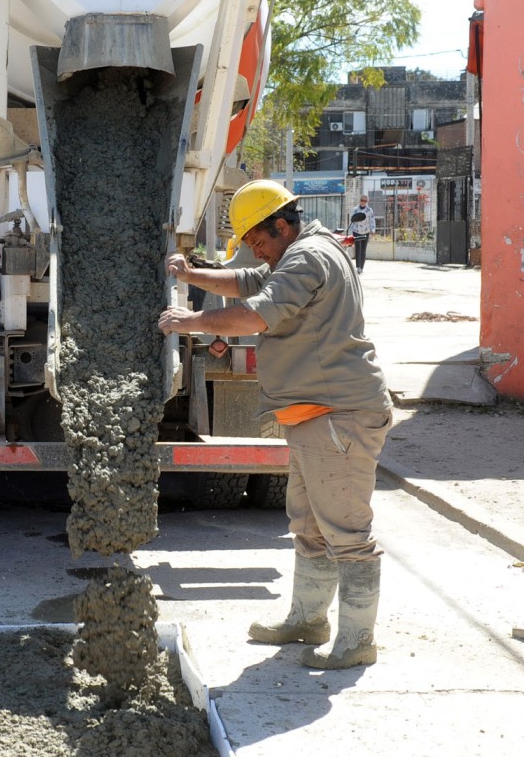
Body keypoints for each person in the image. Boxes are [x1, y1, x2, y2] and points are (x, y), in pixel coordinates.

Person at [157, 179, 393, 669]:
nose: (257, 254)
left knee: (347, 532)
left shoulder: (308, 259)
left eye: (260, 243)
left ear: (282, 226)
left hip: (339, 416)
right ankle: (308, 619)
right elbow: (248, 282)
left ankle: (357, 640)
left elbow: (256, 313)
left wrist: (190, 322)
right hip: (314, 417)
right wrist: (197, 274)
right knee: (308, 525)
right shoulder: (301, 253)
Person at [349, 194, 376, 274]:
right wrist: (350, 233)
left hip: (366, 232)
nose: (363, 202)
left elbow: (372, 220)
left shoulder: (369, 210)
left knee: (363, 250)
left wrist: (373, 229)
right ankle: (358, 267)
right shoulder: (355, 210)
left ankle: (362, 267)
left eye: (365, 201)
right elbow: (352, 221)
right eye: (362, 200)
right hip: (356, 231)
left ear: (367, 202)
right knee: (358, 249)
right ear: (359, 200)